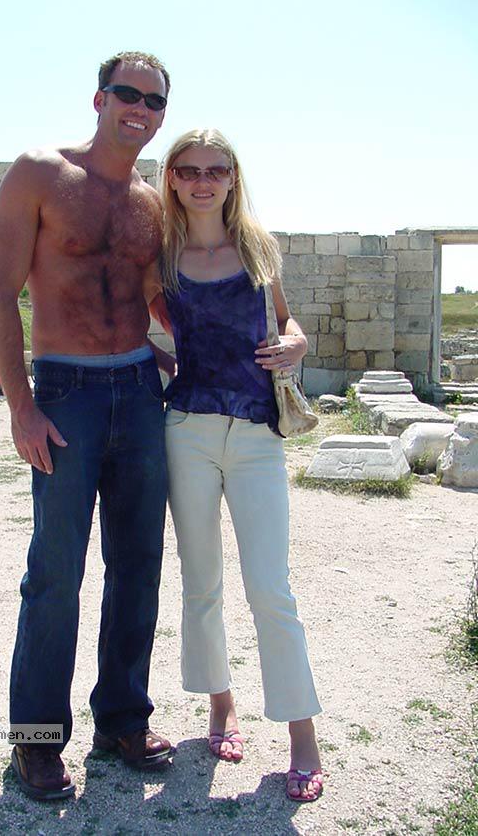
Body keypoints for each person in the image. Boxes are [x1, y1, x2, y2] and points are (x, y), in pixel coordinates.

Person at [0, 51, 175, 802]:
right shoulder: (40, 173)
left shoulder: (152, 203)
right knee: (55, 573)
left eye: (154, 101)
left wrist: (206, 345)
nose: (140, 108)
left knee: (138, 564)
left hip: (140, 390)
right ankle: (36, 741)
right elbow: (0, 292)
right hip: (66, 393)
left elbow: (153, 295)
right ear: (99, 99)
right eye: (128, 93)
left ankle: (122, 718)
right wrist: (21, 405)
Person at [157, 129, 324, 802]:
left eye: (216, 170)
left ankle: (303, 735)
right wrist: (169, 362)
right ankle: (220, 705)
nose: (203, 181)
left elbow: (289, 323)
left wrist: (295, 346)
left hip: (257, 433)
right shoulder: (162, 256)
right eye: (190, 170)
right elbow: (137, 324)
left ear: (232, 177)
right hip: (187, 431)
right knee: (201, 581)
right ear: (172, 179)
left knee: (270, 588)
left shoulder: (258, 247)